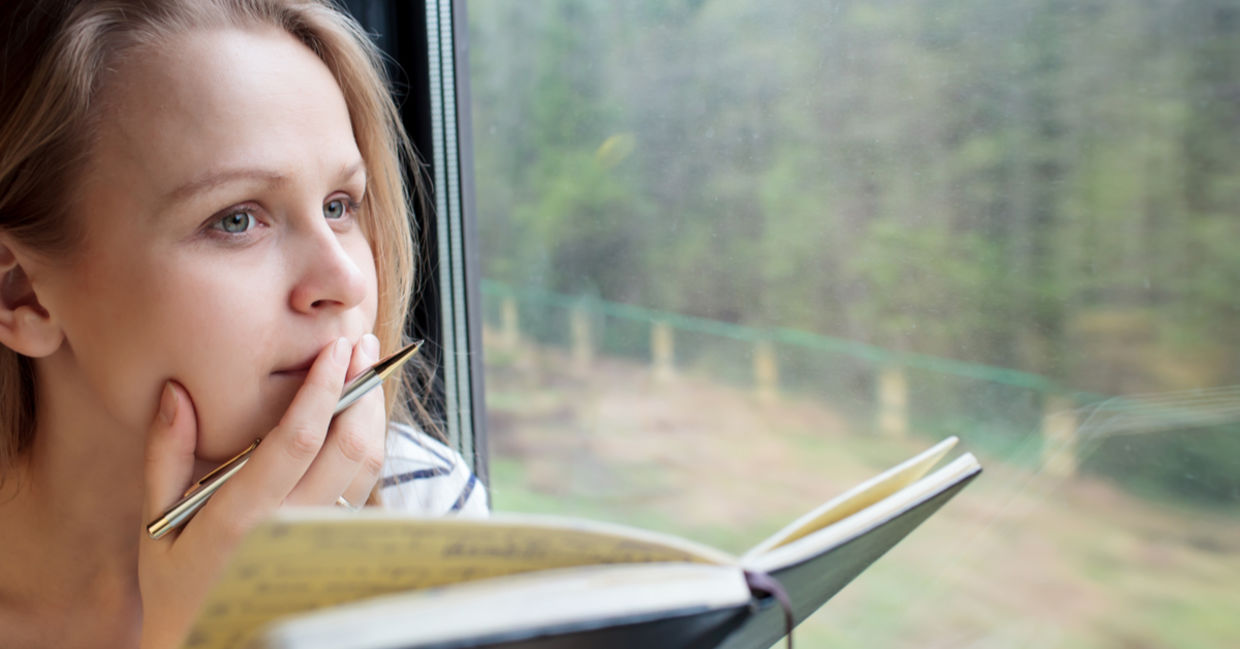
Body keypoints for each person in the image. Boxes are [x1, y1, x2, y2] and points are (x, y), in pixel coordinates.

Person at [0, 1, 487, 647]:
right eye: (236, 219)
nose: (344, 281)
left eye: (340, 205)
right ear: (22, 294)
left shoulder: (428, 514)